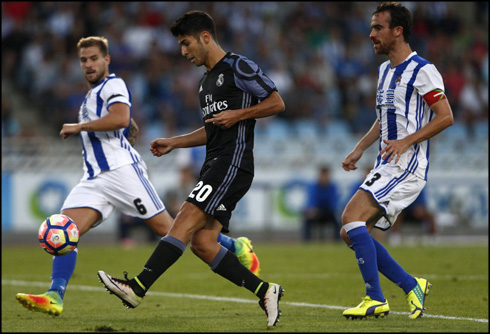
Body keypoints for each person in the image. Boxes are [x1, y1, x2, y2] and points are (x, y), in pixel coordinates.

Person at [15, 36, 260, 317]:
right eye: (84, 60)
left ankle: (236, 245)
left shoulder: (113, 84)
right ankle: (54, 296)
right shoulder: (90, 96)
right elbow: (121, 124)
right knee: (64, 230)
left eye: (94, 58)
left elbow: (121, 118)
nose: (89, 64)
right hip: (94, 177)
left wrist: (79, 126)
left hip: (122, 171)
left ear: (106, 60)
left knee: (172, 230)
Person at [97, 11, 286, 327]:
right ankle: (265, 290)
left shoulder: (239, 66)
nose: (184, 52)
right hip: (216, 163)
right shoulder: (205, 83)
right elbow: (211, 130)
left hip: (233, 163)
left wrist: (239, 115)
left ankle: (138, 286)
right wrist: (174, 142)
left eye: (186, 44)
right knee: (202, 244)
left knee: (182, 219)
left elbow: (277, 102)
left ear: (206, 37)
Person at [340, 2, 454, 320]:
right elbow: (383, 119)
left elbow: (446, 117)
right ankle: (410, 285)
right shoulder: (384, 71)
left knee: (351, 217)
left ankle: (375, 298)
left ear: (398, 31)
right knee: (350, 231)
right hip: (384, 163)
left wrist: (406, 141)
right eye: (372, 27)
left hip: (407, 165)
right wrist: (360, 148)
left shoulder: (423, 70)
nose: (371, 34)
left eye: (378, 28)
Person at [302, 165, 341, 242]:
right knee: (307, 221)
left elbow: (335, 201)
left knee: (337, 222)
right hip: (317, 212)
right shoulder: (314, 186)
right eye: (322, 175)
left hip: (328, 212)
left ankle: (337, 241)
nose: (324, 177)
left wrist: (334, 209)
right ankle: (307, 242)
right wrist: (312, 209)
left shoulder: (332, 187)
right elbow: (311, 200)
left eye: (325, 175)